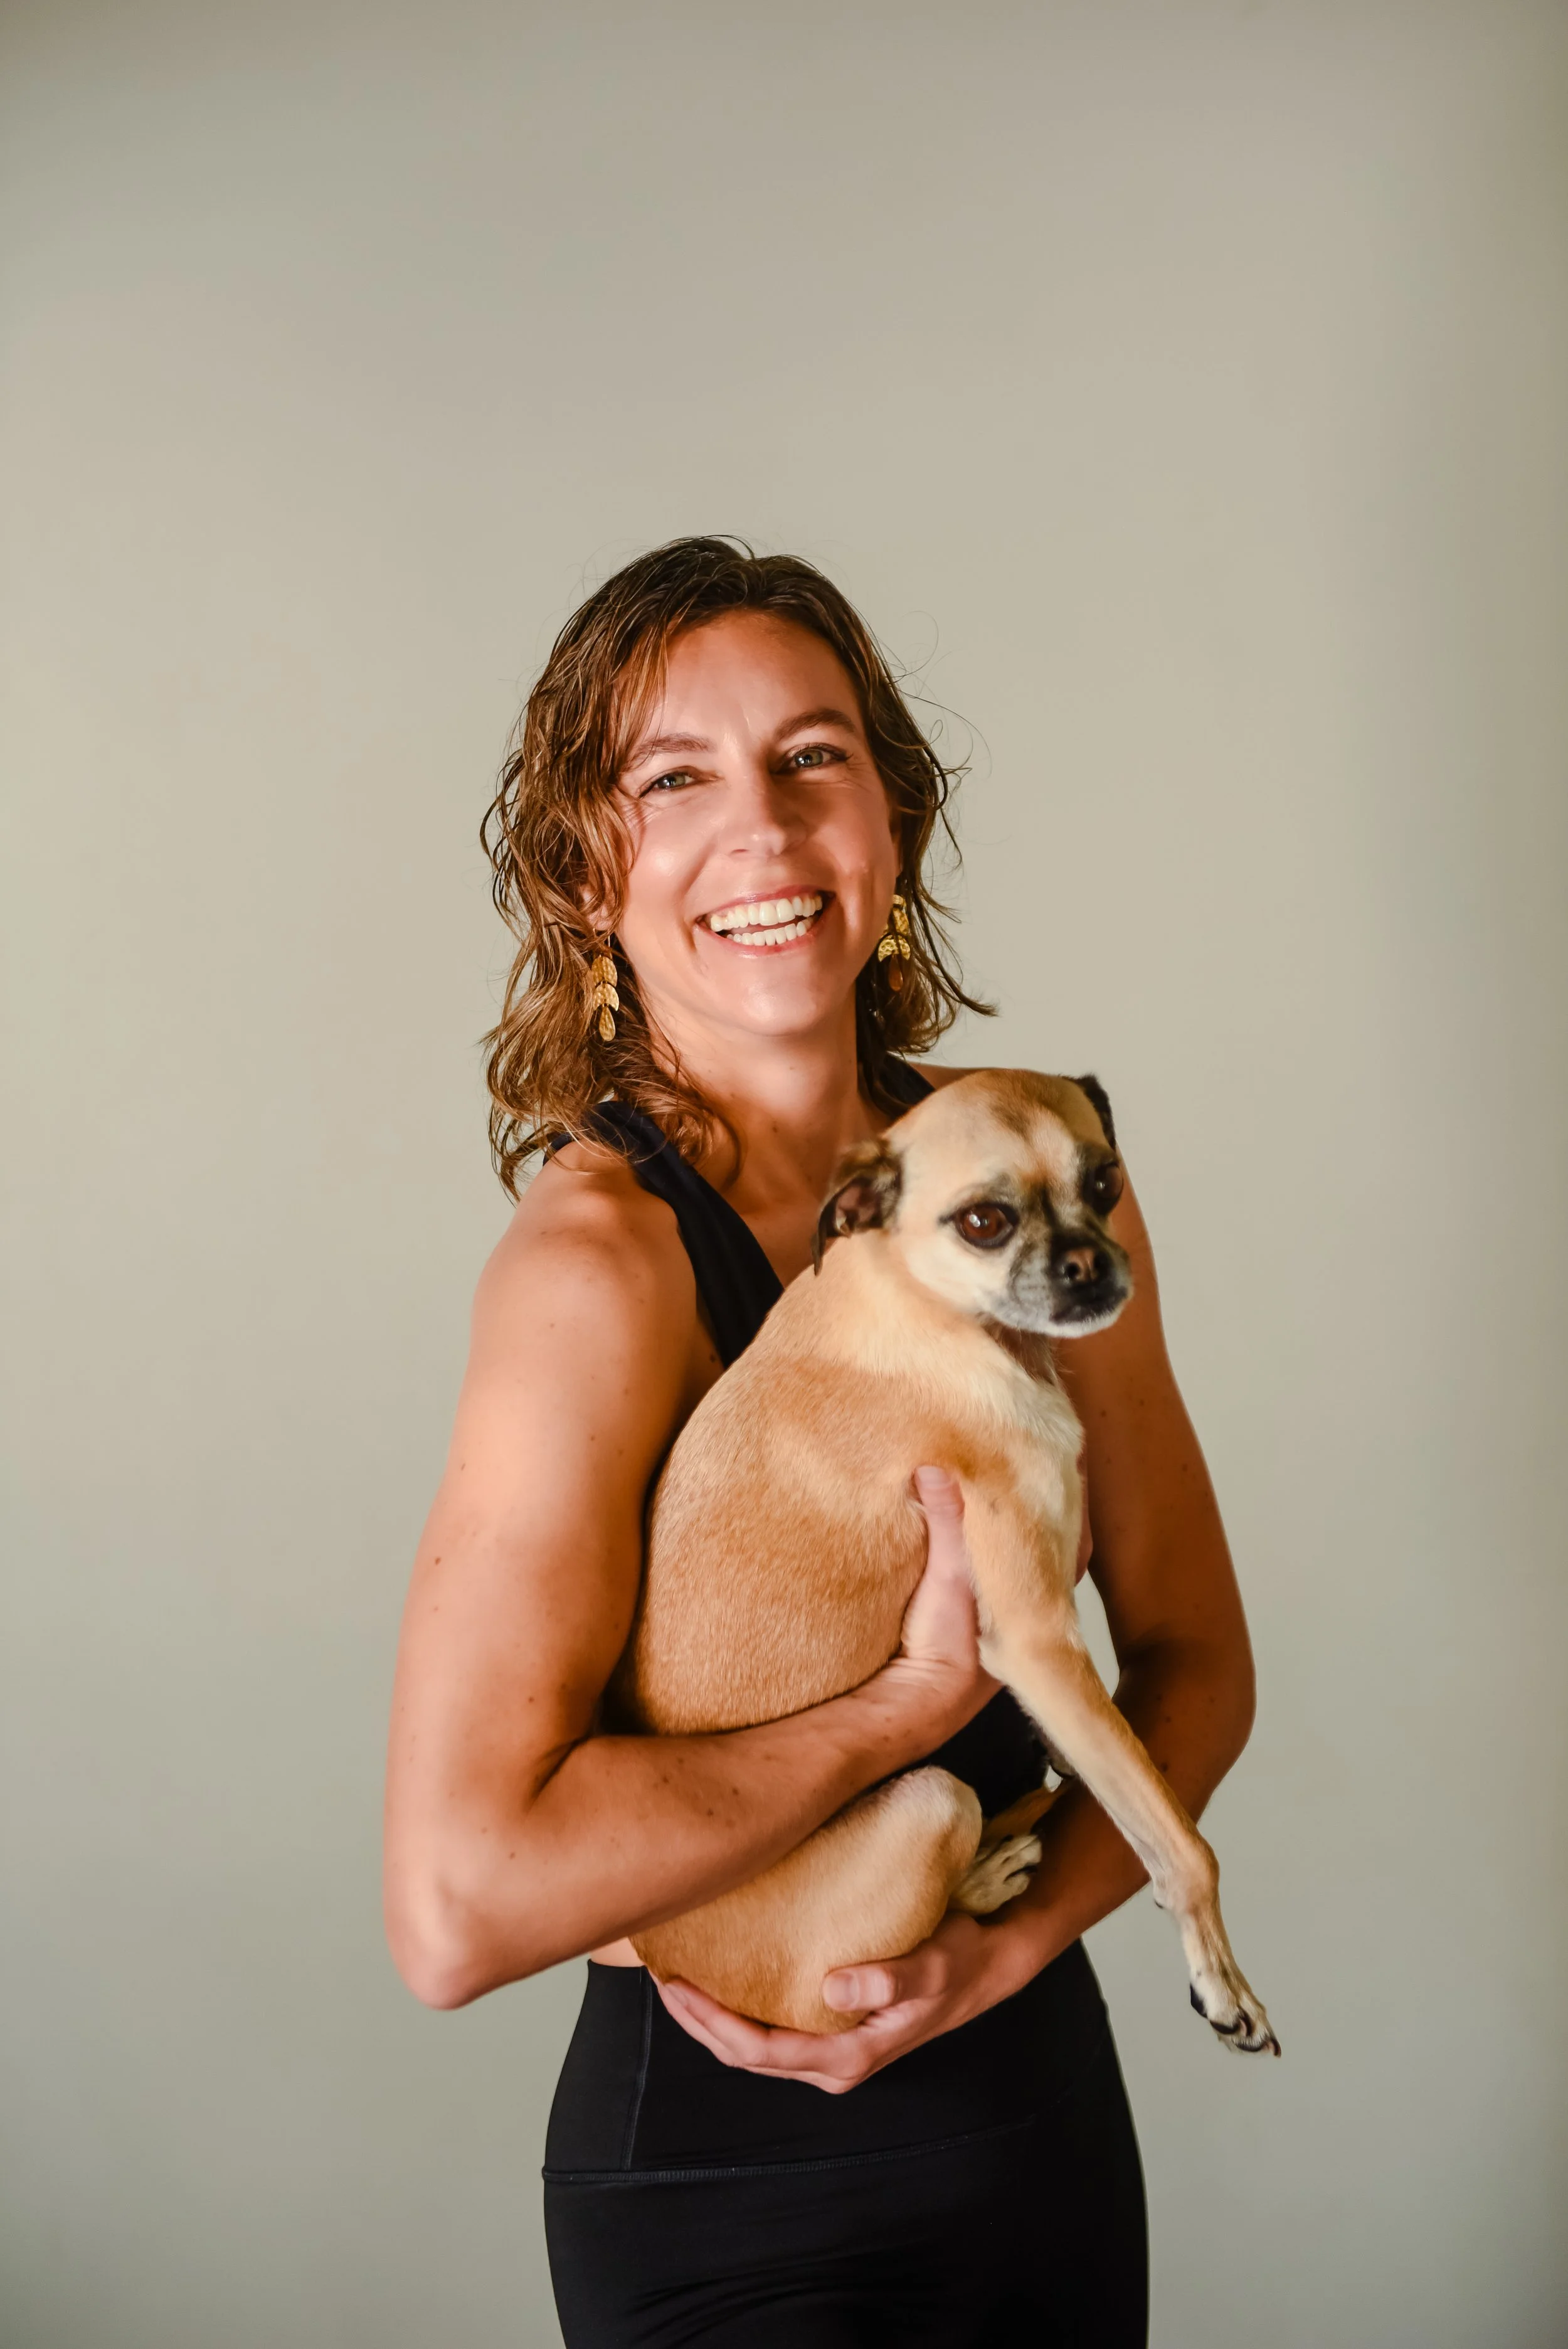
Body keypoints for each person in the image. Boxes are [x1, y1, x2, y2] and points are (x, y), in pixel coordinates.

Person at [383, 537, 1257, 2347]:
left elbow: (1193, 1658)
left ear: (893, 815)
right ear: (578, 872)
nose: (765, 837)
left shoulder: (1031, 1169)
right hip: (729, 2189)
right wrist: (900, 1711)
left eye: (812, 757)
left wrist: (1003, 1953)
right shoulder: (597, 1271)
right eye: (674, 780)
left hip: (1038, 2124)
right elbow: (456, 1908)